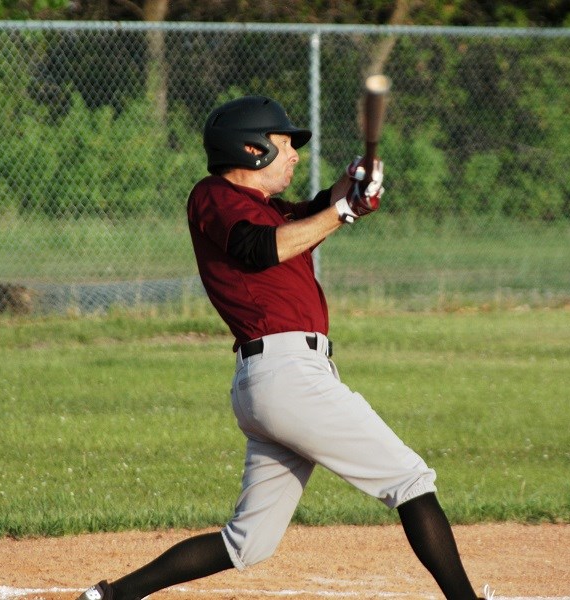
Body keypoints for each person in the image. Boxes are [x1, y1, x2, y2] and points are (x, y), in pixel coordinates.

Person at [77, 96, 491, 600]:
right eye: (284, 143)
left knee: (246, 543)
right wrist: (343, 209)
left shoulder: (266, 209)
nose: (294, 154)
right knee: (410, 481)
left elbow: (312, 217)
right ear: (250, 149)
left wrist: (351, 185)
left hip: (279, 380)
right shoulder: (214, 195)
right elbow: (261, 247)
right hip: (287, 375)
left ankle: (109, 597)